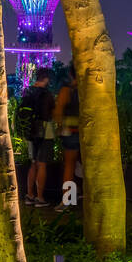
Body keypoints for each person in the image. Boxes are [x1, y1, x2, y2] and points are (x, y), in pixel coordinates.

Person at [23, 68, 55, 206]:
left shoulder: (27, 91)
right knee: (42, 165)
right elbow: (51, 112)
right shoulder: (47, 94)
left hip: (30, 131)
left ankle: (30, 195)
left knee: (33, 164)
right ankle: (40, 198)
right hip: (44, 131)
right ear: (46, 79)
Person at [54, 65, 82, 212]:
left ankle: (67, 200)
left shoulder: (66, 91)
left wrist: (59, 127)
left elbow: (58, 112)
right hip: (87, 134)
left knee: (69, 167)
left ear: (71, 75)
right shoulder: (89, 91)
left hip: (70, 132)